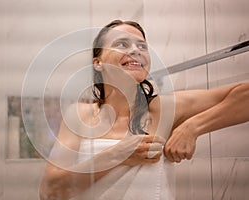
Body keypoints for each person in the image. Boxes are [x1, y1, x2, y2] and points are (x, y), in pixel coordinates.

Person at [39, 20, 249, 200]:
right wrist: (118, 155)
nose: (135, 50)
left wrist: (193, 126)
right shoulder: (80, 114)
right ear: (98, 62)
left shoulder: (164, 109)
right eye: (122, 43)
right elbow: (49, 192)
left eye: (142, 46)